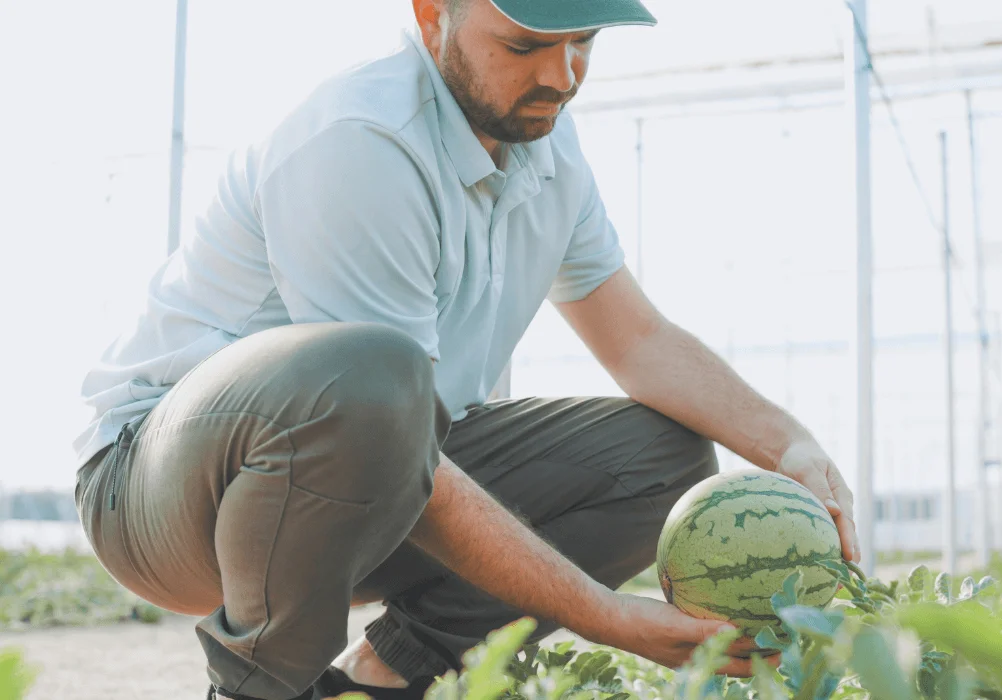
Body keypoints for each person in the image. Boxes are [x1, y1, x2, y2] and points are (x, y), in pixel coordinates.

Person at [72, 0, 860, 698]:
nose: (561, 75)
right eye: (522, 46)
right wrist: (607, 617)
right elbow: (384, 423)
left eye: (582, 41)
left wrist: (788, 444)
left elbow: (638, 339)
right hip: (164, 496)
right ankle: (261, 691)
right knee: (373, 376)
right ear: (429, 15)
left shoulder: (547, 144)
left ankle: (382, 681)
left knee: (658, 455)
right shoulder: (361, 143)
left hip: (366, 479)